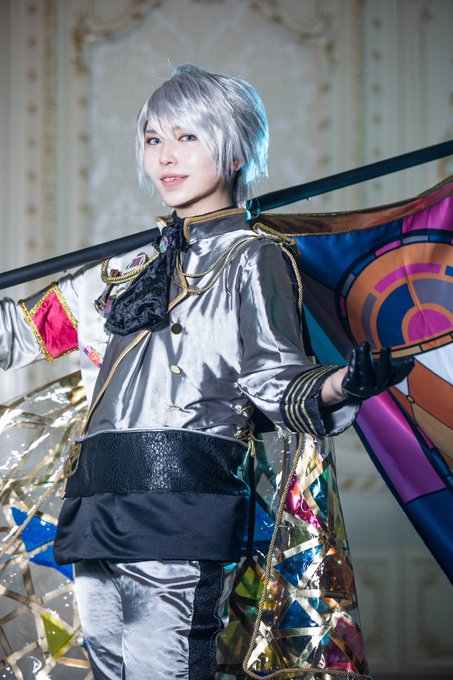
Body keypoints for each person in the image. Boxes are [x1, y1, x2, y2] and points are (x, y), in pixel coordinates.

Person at [0, 65, 412, 679]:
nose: (165, 156)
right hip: (95, 502)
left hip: (182, 505)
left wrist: (341, 386)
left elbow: (277, 382)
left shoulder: (254, 259)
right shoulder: (122, 267)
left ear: (236, 148)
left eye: (187, 137)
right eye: (153, 139)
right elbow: (18, 333)